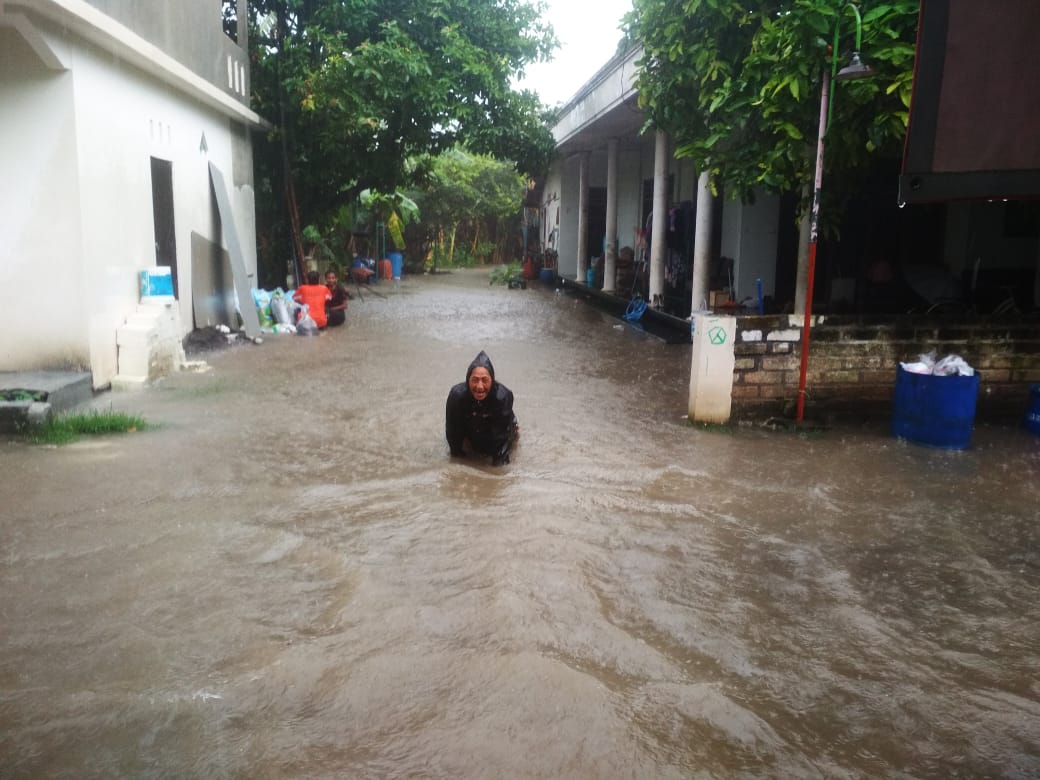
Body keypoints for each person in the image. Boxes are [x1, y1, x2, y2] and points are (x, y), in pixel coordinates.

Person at [445, 351, 518, 466]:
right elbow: (452, 432)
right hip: (472, 430)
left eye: (485, 380)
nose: (479, 387)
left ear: (492, 381)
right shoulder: (457, 396)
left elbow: (502, 440)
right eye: (475, 380)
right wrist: (457, 458)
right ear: (468, 380)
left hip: (500, 430)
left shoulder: (502, 397)